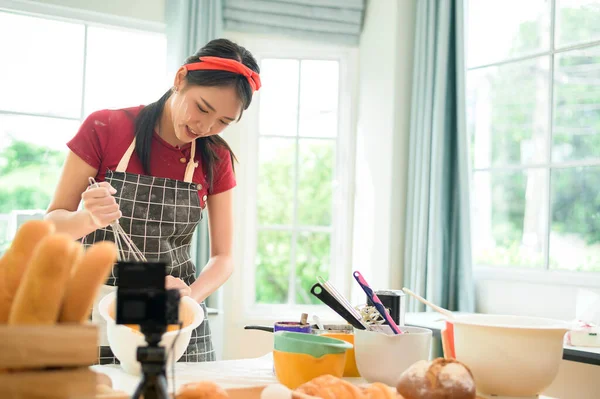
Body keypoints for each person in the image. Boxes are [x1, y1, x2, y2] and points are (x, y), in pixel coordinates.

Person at [45, 38, 261, 363]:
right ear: (180, 79)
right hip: (97, 308)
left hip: (173, 314)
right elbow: (53, 226)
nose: (205, 127)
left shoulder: (215, 157)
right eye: (202, 108)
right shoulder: (105, 128)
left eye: (223, 122)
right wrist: (88, 218)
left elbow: (224, 257)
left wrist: (190, 296)